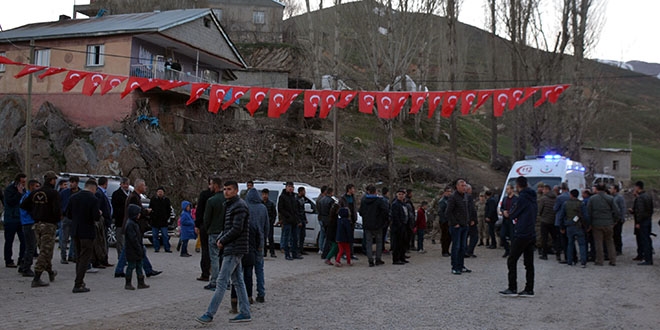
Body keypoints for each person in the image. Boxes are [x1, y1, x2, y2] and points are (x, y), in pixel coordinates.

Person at [196, 181, 252, 324]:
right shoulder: (231, 205)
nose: (226, 192)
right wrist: (222, 237)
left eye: (229, 189)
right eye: (225, 189)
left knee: (221, 282)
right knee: (238, 281)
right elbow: (229, 227)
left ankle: (209, 314)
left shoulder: (238, 206)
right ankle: (245, 312)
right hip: (233, 247)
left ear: (236, 190)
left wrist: (223, 240)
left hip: (234, 248)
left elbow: (236, 229)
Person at [20, 171, 62, 287]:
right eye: (54, 180)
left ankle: (50, 272)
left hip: (37, 225)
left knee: (44, 249)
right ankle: (37, 277)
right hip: (49, 225)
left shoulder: (36, 193)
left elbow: (24, 205)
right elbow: (57, 210)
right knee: (45, 251)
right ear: (52, 180)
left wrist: (35, 211)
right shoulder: (53, 194)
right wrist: (56, 219)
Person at [114, 179, 161, 278]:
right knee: (139, 248)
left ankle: (119, 270)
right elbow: (135, 212)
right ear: (139, 186)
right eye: (144, 186)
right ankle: (147, 270)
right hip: (133, 228)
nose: (145, 187)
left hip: (133, 227)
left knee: (127, 249)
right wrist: (146, 212)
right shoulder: (133, 197)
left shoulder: (135, 196)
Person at [499, 176, 537, 297]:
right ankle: (529, 288)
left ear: (518, 185)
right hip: (531, 231)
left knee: (512, 259)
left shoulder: (521, 198)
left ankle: (512, 287)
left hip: (521, 232)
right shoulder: (533, 198)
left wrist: (507, 213)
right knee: (529, 262)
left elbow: (513, 213)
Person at [66, 179, 100, 293]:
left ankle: (79, 280)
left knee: (79, 257)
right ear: (93, 188)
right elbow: (95, 217)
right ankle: (78, 283)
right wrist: (99, 213)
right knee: (85, 258)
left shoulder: (73, 197)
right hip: (87, 232)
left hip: (76, 231)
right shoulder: (93, 199)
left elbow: (68, 214)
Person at [445, 179, 476, 275]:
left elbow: (468, 209)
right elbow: (448, 212)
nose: (464, 187)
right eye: (462, 186)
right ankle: (455, 266)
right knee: (456, 246)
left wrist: (470, 219)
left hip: (465, 225)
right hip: (456, 226)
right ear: (457, 186)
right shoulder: (453, 197)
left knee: (463, 247)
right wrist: (455, 223)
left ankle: (461, 265)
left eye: (465, 186)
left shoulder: (466, 197)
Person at [245, 187, 269, 303]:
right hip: (260, 241)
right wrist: (264, 239)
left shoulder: (245, 207)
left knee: (247, 269)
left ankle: (247, 293)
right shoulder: (263, 208)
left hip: (248, 242)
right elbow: (266, 226)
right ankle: (261, 293)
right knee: (259, 269)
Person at [586, 183, 619, 266]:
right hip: (608, 223)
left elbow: (588, 212)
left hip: (596, 223)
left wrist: (589, 223)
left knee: (598, 242)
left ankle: (599, 260)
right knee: (610, 242)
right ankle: (613, 260)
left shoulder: (592, 199)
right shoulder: (610, 198)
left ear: (597, 189)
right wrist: (614, 221)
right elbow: (617, 211)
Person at [203, 177, 225, 290]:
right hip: (226, 233)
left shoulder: (211, 201)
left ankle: (214, 281)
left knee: (215, 258)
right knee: (225, 258)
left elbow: (206, 219)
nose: (209, 187)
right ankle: (226, 281)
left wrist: (208, 229)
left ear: (215, 185)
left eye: (211, 184)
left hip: (214, 232)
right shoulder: (227, 200)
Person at [358, 185, 389, 266]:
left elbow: (360, 212)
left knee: (368, 243)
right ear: (375, 192)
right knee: (379, 242)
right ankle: (378, 259)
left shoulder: (364, 201)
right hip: (378, 225)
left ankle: (370, 260)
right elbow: (385, 211)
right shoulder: (379, 201)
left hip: (367, 224)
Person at [124, 204, 150, 290]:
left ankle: (141, 282)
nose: (139, 215)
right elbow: (133, 239)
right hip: (132, 249)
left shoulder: (134, 223)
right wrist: (138, 247)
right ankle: (128, 283)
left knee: (139, 265)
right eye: (138, 213)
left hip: (137, 248)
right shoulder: (130, 224)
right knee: (131, 266)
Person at [4, 172, 27, 268]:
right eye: (22, 182)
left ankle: (21, 259)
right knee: (9, 240)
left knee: (24, 240)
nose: (23, 184)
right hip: (11, 218)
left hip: (21, 218)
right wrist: (18, 193)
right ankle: (8, 260)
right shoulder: (9, 190)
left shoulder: (24, 190)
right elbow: (10, 202)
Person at [18, 179, 40, 277]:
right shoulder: (29, 197)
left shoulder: (26, 196)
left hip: (27, 222)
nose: (38, 189)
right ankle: (27, 268)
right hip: (29, 223)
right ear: (31, 186)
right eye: (36, 186)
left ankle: (23, 265)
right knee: (31, 246)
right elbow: (31, 210)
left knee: (29, 246)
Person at [559, 189, 587, 267]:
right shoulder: (581, 204)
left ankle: (570, 261)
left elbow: (561, 216)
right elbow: (586, 216)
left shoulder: (566, 204)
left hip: (569, 226)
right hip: (579, 226)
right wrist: (587, 226)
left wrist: (562, 227)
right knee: (582, 244)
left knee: (570, 244)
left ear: (571, 195)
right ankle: (583, 261)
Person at [629, 181, 653, 265]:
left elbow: (640, 211)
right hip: (648, 219)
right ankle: (647, 257)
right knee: (647, 239)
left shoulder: (640, 198)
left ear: (638, 187)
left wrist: (638, 221)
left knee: (644, 240)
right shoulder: (648, 196)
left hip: (642, 221)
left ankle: (647, 259)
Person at [195, 178, 213, 282]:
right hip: (209, 227)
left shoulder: (205, 195)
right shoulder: (219, 196)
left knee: (206, 250)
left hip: (205, 226)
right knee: (209, 251)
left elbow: (199, 210)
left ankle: (206, 273)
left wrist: (197, 224)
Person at [59, 175, 80, 264]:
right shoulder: (64, 192)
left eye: (73, 182)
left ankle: (73, 255)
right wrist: (61, 214)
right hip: (66, 217)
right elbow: (59, 203)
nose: (71, 184)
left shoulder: (79, 193)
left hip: (76, 218)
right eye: (70, 182)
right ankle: (63, 256)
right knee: (65, 238)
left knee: (75, 239)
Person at [278, 181, 301, 260]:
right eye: (289, 187)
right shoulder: (282, 197)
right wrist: (287, 216)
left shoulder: (293, 197)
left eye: (292, 187)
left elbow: (296, 209)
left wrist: (297, 218)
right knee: (286, 238)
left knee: (295, 238)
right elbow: (280, 209)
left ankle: (294, 253)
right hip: (287, 220)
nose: (290, 188)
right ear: (286, 187)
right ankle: (287, 254)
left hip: (294, 220)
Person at [93, 177, 113, 268]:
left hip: (106, 220)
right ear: (105, 183)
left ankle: (104, 259)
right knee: (101, 241)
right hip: (102, 220)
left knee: (105, 241)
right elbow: (98, 207)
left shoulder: (102, 193)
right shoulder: (99, 194)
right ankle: (99, 260)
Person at [430, 186, 452, 256]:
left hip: (450, 221)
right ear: (445, 192)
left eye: (450, 191)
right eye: (448, 191)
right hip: (444, 221)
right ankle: (444, 251)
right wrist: (444, 221)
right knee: (444, 236)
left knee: (449, 237)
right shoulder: (442, 201)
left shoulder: (449, 200)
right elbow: (441, 212)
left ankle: (447, 250)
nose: (449, 193)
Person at [537, 184, 558, 260]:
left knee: (544, 238)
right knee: (555, 238)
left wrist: (542, 215)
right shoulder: (555, 198)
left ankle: (544, 254)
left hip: (545, 221)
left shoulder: (543, 199)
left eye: (544, 189)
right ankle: (558, 254)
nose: (543, 191)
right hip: (553, 220)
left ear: (547, 190)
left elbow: (540, 210)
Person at [111, 177, 130, 260]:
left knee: (127, 240)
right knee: (120, 240)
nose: (126, 186)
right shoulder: (116, 194)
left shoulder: (130, 193)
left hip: (129, 221)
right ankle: (121, 257)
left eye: (127, 184)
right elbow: (115, 208)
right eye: (124, 184)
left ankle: (126, 256)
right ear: (121, 184)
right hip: (120, 221)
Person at [149, 187, 172, 253]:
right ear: (157, 193)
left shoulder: (166, 200)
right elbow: (150, 209)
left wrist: (167, 217)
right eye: (159, 192)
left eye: (161, 192)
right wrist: (152, 217)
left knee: (165, 236)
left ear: (163, 193)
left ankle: (167, 248)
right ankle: (156, 248)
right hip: (155, 221)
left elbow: (169, 210)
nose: (160, 193)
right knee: (155, 236)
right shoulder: (153, 200)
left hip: (163, 221)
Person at [390, 188, 409, 265]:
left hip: (404, 225)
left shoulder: (403, 204)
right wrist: (399, 225)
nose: (401, 196)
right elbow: (395, 216)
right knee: (397, 243)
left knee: (403, 242)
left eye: (402, 194)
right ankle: (396, 259)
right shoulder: (395, 204)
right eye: (399, 194)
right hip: (397, 227)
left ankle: (402, 257)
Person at [340, 184, 358, 260]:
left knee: (351, 238)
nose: (354, 190)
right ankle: (344, 253)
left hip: (352, 220)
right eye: (353, 189)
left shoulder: (353, 198)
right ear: (349, 189)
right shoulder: (343, 198)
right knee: (345, 237)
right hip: (346, 220)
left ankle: (351, 253)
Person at [553, 183, 570, 263]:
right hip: (569, 220)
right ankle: (570, 256)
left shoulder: (560, 198)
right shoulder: (570, 196)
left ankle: (559, 255)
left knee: (559, 240)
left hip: (559, 220)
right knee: (568, 239)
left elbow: (555, 208)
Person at [499, 185, 517, 258]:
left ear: (512, 190)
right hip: (505, 220)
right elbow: (501, 208)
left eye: (508, 189)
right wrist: (503, 212)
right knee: (502, 235)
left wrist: (510, 213)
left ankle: (512, 252)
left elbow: (516, 208)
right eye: (506, 189)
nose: (507, 190)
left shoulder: (516, 199)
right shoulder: (505, 198)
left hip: (512, 220)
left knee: (512, 237)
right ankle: (507, 249)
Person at [323, 196, 341, 266]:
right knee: (335, 246)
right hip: (333, 234)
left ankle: (336, 259)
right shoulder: (335, 219)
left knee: (335, 246)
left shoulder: (331, 217)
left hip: (331, 234)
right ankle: (328, 258)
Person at [316, 186, 333, 257]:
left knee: (322, 234)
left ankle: (321, 248)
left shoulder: (320, 200)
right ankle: (324, 249)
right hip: (326, 219)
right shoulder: (330, 200)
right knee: (326, 235)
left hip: (321, 218)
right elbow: (331, 211)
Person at [609, 184, 626, 256]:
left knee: (617, 234)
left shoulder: (619, 198)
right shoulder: (611, 197)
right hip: (613, 219)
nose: (610, 190)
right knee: (613, 235)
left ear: (615, 189)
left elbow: (622, 208)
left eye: (611, 188)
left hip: (618, 219)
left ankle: (618, 249)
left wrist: (621, 218)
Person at [261, 188, 277, 258]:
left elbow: (274, 214)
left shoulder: (271, 204)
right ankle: (264, 252)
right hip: (262, 224)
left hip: (269, 223)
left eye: (266, 194)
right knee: (263, 238)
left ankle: (272, 252)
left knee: (270, 238)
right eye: (263, 194)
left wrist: (272, 221)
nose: (265, 196)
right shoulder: (260, 203)